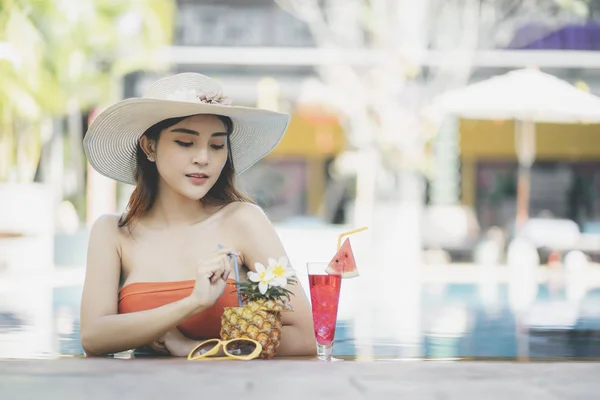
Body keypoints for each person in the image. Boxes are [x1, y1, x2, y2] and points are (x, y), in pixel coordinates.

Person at [80, 73, 316, 357]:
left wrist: (189, 347)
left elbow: (304, 338)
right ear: (150, 146)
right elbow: (93, 337)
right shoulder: (113, 232)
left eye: (217, 146)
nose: (204, 158)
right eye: (185, 142)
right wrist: (191, 303)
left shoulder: (243, 221)